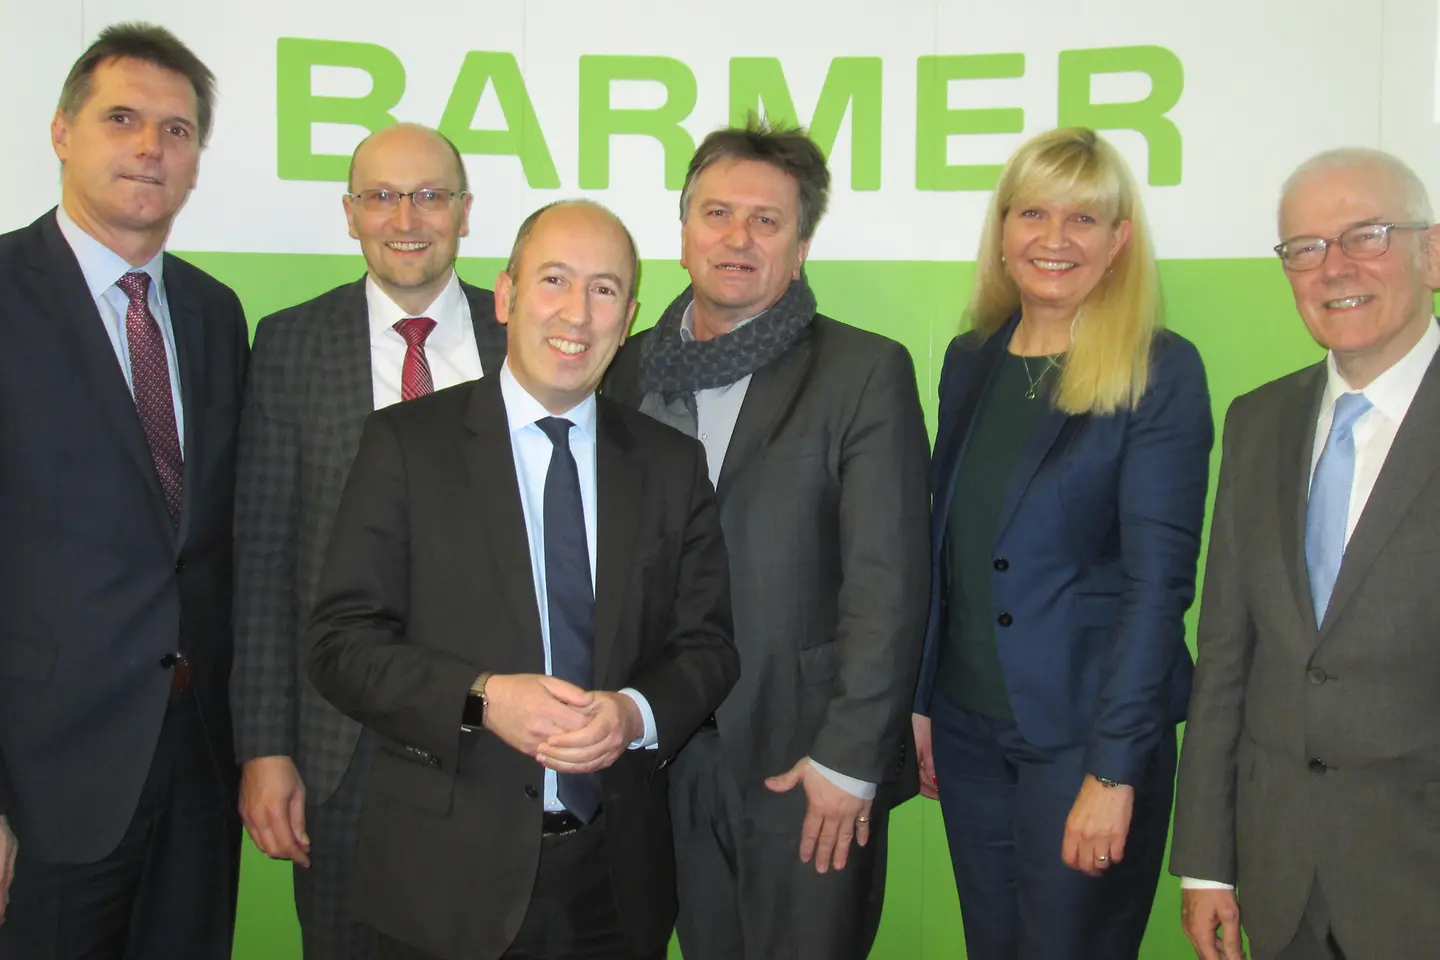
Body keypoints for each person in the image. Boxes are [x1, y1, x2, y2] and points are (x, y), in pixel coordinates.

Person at [306, 199, 739, 960]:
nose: (577, 311)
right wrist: (482, 697)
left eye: (604, 289)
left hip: (615, 880)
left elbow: (706, 646)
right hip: (445, 880)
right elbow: (341, 645)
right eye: (554, 280)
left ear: (628, 314)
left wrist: (634, 714)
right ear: (505, 296)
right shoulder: (408, 444)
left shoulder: (671, 465)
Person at [604, 120, 930, 960]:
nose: (737, 238)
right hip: (651, 757)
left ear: (802, 244)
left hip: (803, 768)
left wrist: (850, 762)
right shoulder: (623, 370)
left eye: (766, 220)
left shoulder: (863, 372)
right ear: (682, 234)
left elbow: (887, 585)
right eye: (716, 214)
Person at [911, 127, 1213, 959]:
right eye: (1033, 213)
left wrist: (1113, 771)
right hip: (969, 732)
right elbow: (949, 545)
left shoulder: (1159, 369)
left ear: (1120, 241)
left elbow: (1159, 587)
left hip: (1086, 740)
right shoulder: (970, 360)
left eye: (1084, 220)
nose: (1053, 239)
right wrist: (924, 697)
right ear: (1002, 231)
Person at [0, 22, 249, 959]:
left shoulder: (215, 314)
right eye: (123, 119)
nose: (151, 146)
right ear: (63, 131)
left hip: (199, 765)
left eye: (176, 131)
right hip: (44, 783)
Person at [230, 122, 504, 959]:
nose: (406, 217)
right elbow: (264, 559)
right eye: (381, 196)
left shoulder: (524, 338)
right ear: (350, 214)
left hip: (492, 742)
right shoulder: (288, 344)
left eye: (430, 195)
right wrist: (267, 748)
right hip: (337, 752)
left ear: (464, 212)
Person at [1172, 148, 1440, 960]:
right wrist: (1206, 867)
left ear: (1432, 253)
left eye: (1367, 235)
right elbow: (1224, 657)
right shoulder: (1259, 423)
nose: (1335, 268)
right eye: (1305, 248)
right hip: (1279, 882)